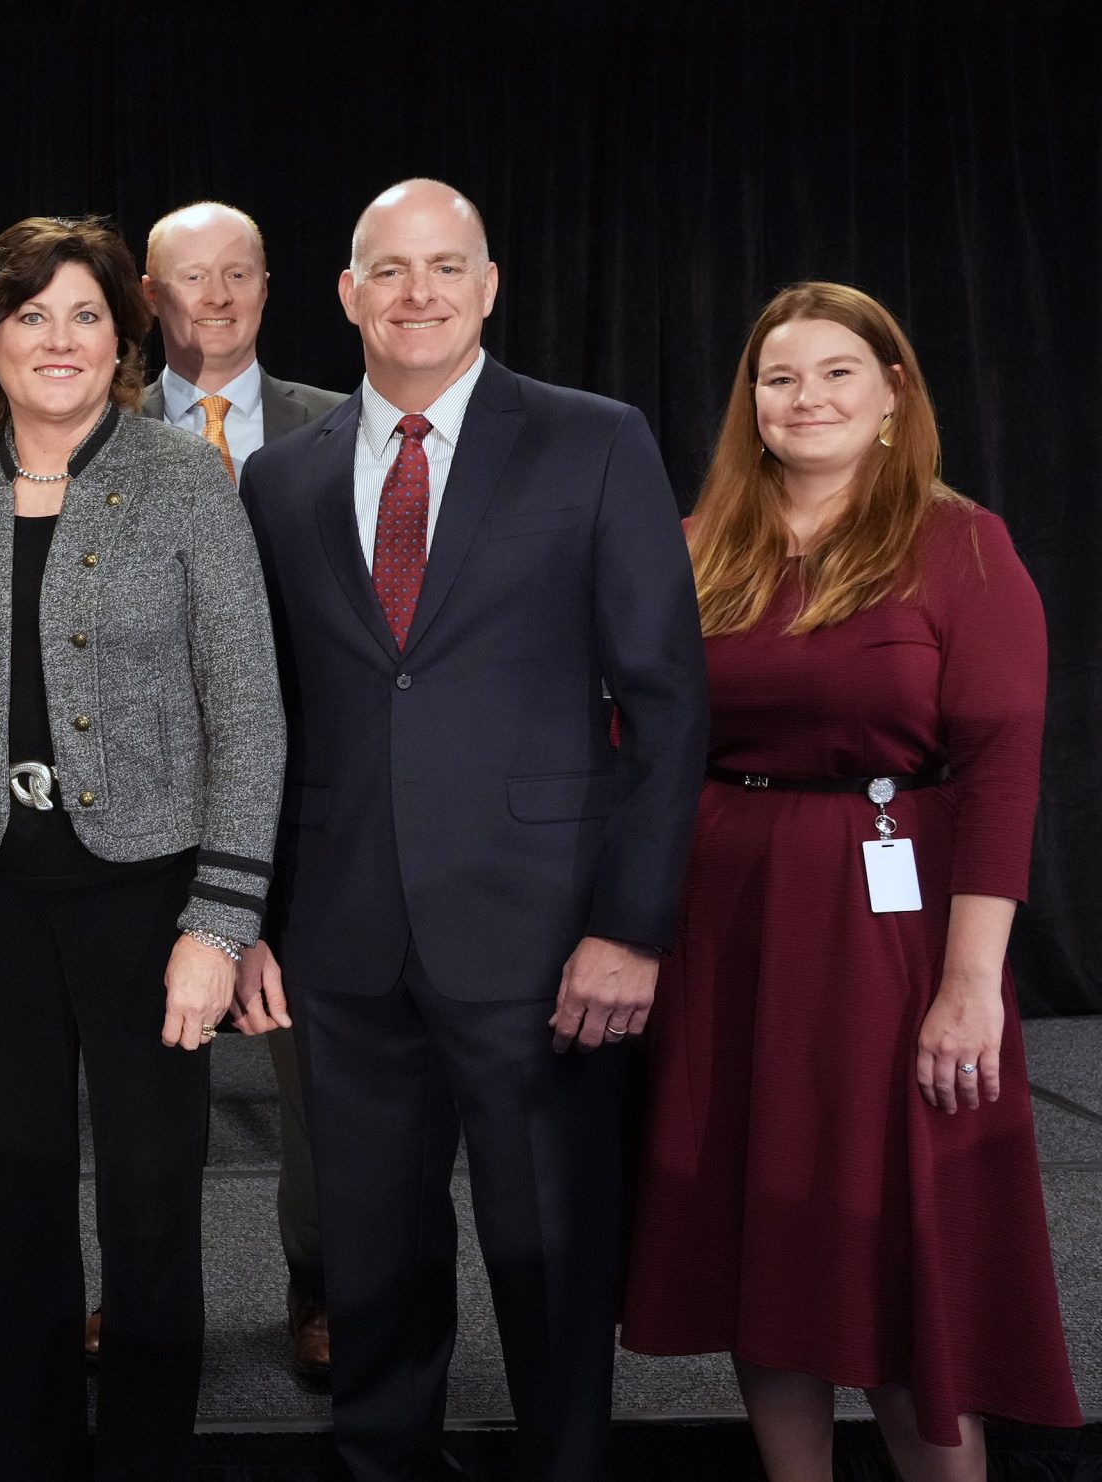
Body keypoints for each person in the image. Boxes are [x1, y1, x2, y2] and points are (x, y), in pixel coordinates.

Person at [234, 179, 708, 1482]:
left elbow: (668, 703)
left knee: (549, 1249)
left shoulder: (593, 440)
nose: (419, 292)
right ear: (347, 296)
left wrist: (631, 923)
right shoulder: (282, 479)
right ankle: (383, 1461)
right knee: (373, 1257)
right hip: (343, 933)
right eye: (390, 270)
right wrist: (259, 920)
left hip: (547, 932)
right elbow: (266, 720)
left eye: (446, 267)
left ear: (491, 285)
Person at [621, 282, 1081, 1481]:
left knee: (890, 1234)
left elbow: (1001, 771)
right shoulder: (691, 546)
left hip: (894, 935)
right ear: (750, 404)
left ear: (891, 398)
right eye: (780, 377)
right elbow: (636, 741)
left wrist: (970, 983)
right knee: (759, 1220)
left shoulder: (960, 545)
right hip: (724, 924)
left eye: (837, 372)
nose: (805, 397)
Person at [0, 216, 284, 1480]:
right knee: (17, 1194)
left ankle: (147, 1451)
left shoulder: (184, 484)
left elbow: (249, 718)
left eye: (86, 315)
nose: (59, 340)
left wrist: (219, 927)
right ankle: (33, 1448)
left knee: (154, 1199)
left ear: (123, 340)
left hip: (149, 901)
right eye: (31, 315)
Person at [133, 196, 344, 1384]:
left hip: (311, 803)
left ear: (267, 291)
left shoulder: (344, 431)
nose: (210, 301)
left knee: (315, 1077)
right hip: (143, 805)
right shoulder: (90, 431)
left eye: (235, 278)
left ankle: (321, 1286)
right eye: (185, 280)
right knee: (139, 1078)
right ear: (147, 299)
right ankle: (150, 1299)